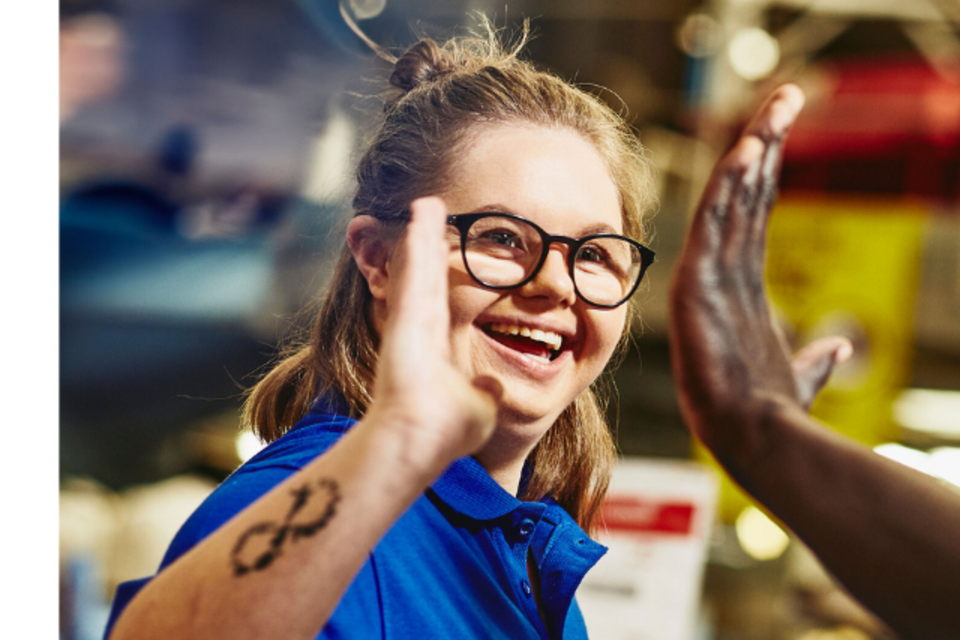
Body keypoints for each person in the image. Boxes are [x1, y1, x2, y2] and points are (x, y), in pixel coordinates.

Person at [106, 25, 960, 640]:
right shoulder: (324, 510)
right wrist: (398, 444)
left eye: (594, 253)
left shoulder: (518, 555)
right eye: (503, 239)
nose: (554, 283)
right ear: (378, 257)